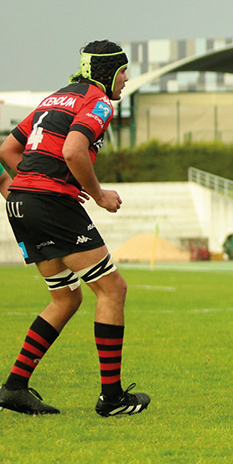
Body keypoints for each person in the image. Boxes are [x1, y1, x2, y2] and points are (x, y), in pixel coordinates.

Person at [0, 41, 150, 417]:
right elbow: (73, 150)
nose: (126, 78)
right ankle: (112, 398)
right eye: (123, 71)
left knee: (65, 298)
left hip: (20, 203)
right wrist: (98, 195)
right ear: (107, 73)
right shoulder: (98, 102)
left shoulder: (54, 99)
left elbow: (7, 151)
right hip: (50, 204)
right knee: (112, 289)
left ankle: (14, 388)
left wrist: (41, 180)